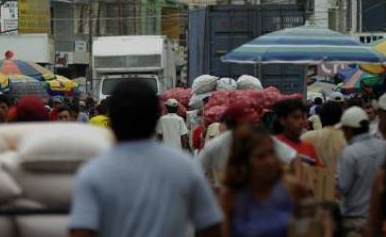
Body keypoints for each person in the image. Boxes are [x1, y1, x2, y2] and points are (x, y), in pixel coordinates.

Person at [69, 79, 223, 237]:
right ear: (155, 117)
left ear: (112, 120)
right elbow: (211, 226)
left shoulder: (92, 173)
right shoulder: (185, 167)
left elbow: (80, 231)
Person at [220, 125, 308, 237]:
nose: (270, 161)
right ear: (243, 162)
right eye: (260, 157)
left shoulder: (291, 187)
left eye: (271, 153)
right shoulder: (230, 197)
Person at [198, 104, 299, 188]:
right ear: (234, 125)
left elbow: (293, 157)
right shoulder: (216, 146)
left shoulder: (262, 139)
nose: (252, 126)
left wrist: (297, 181)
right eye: (247, 123)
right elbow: (196, 171)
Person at [336, 106, 386, 237]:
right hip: (382, 219)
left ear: (348, 130)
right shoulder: (385, 146)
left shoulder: (350, 152)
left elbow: (343, 187)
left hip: (355, 221)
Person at [301, 101, 347, 201]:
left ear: (320, 117)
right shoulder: (348, 139)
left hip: (314, 197)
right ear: (341, 118)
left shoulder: (306, 138)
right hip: (340, 198)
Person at [273, 99, 322, 166]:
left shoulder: (309, 147)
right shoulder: (273, 145)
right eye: (296, 118)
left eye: (302, 117)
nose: (301, 122)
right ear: (282, 120)